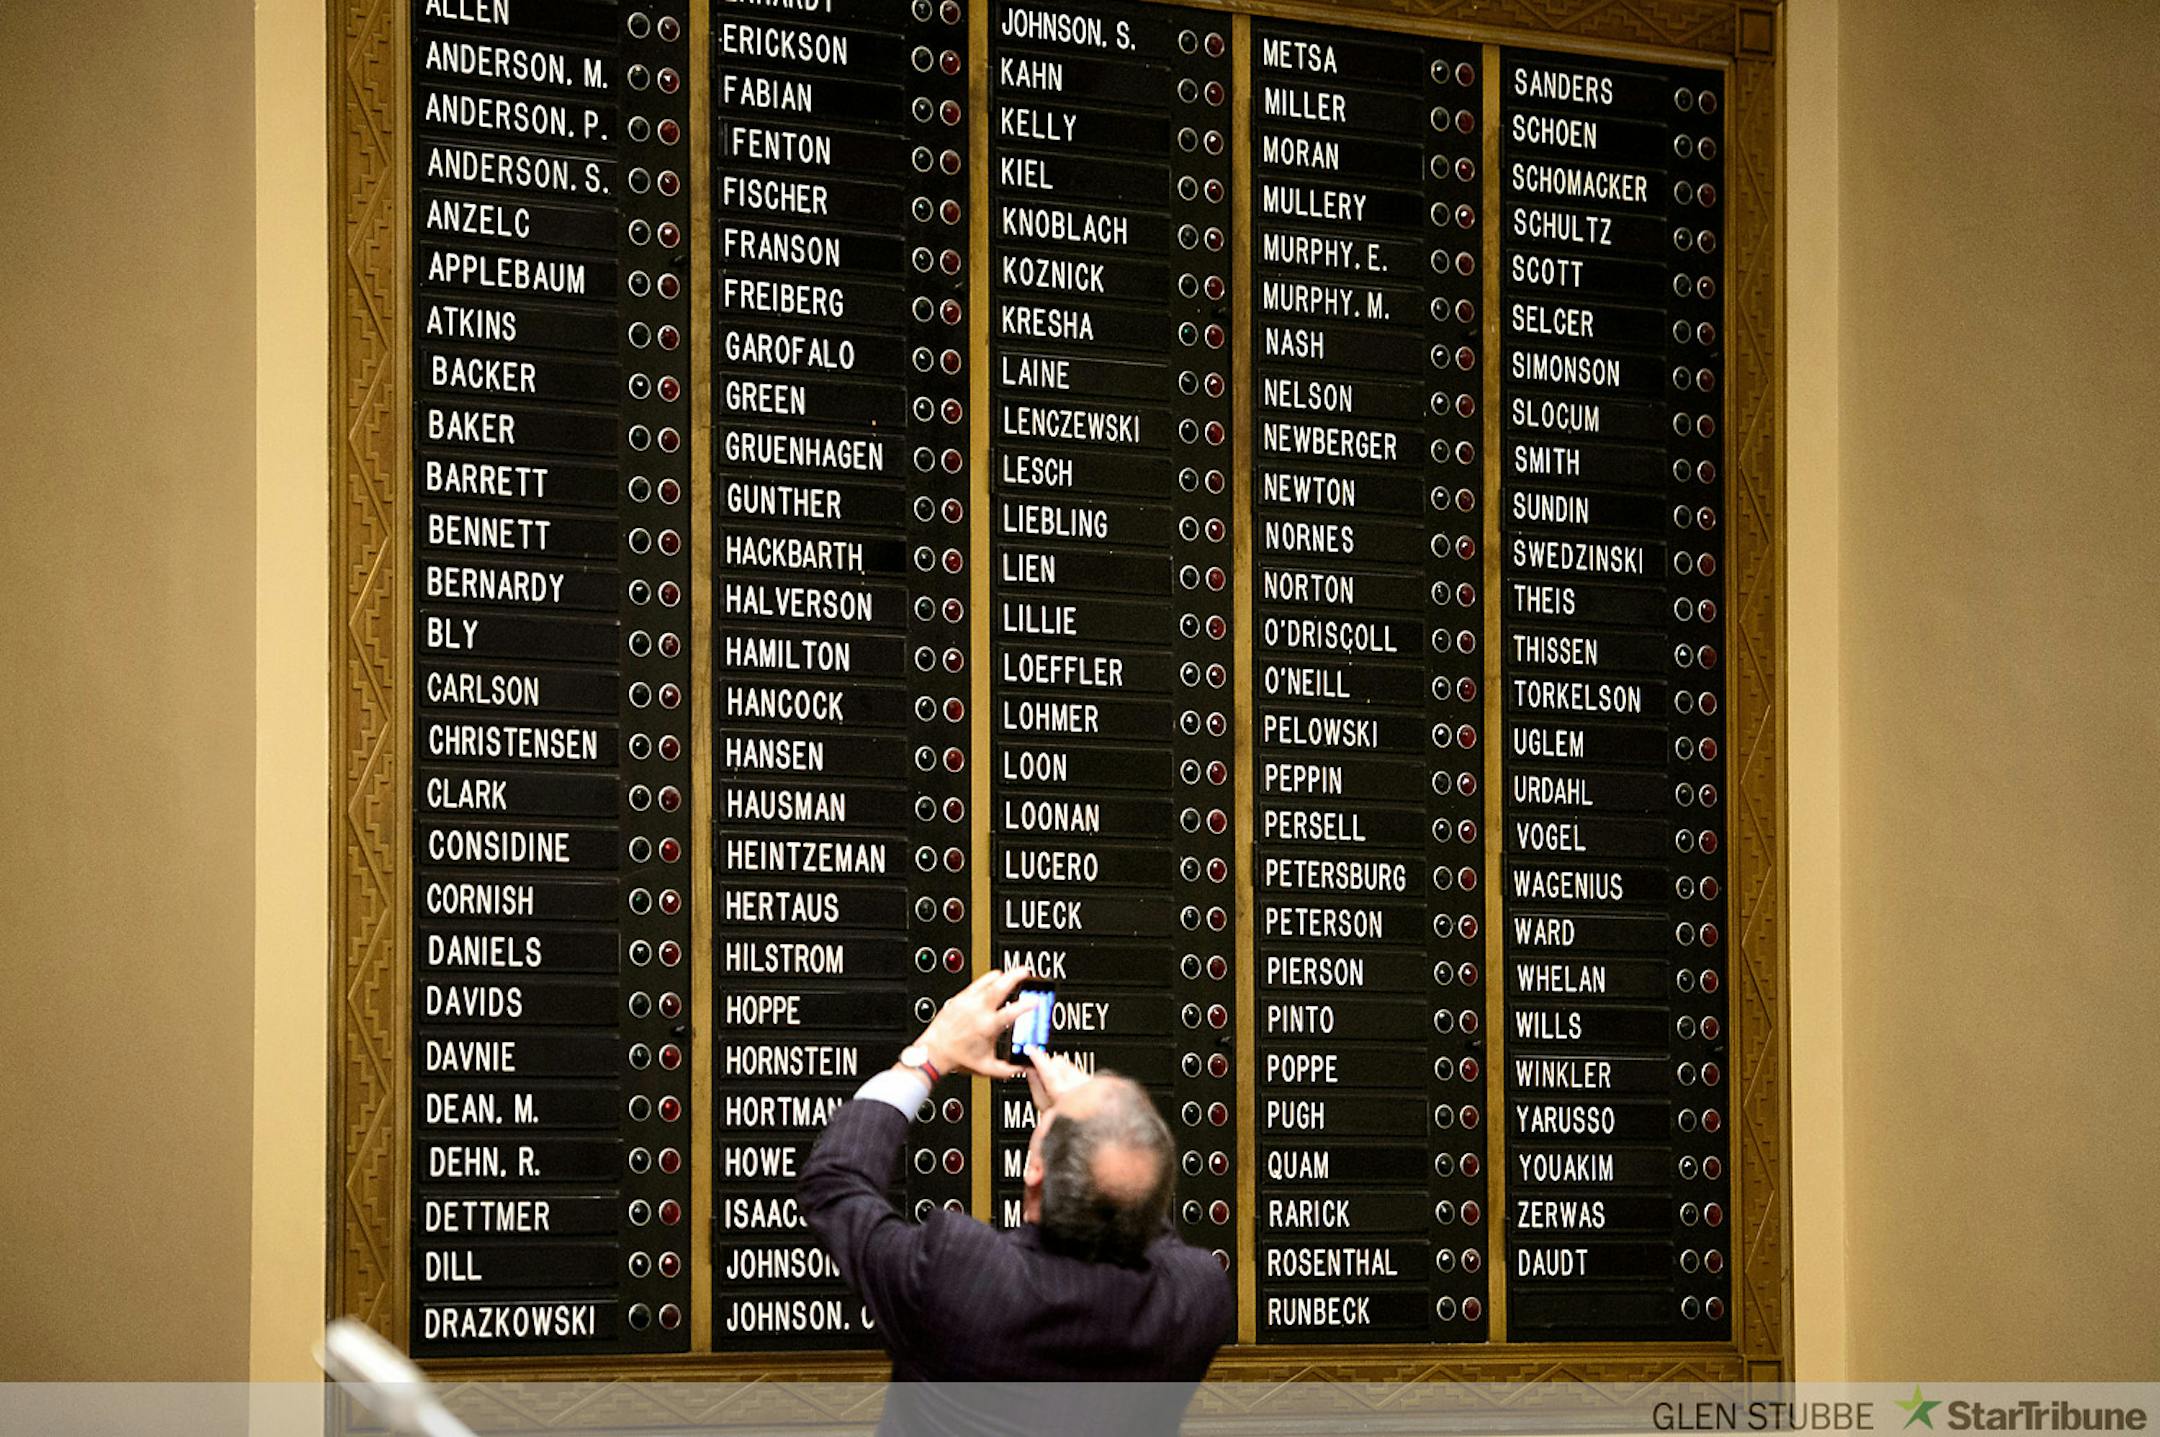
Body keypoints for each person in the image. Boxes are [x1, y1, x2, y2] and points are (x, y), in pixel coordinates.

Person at [798, 966, 1234, 1434]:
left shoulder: (957, 1277)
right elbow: (1138, 1213)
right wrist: (1078, 1127)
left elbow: (835, 1182)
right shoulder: (1195, 1298)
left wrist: (926, 1057)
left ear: (1035, 1169)